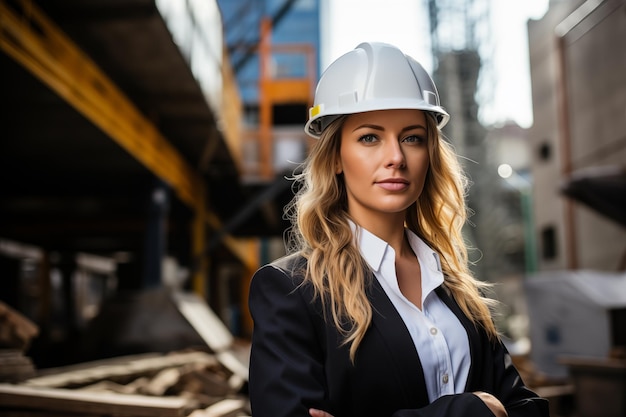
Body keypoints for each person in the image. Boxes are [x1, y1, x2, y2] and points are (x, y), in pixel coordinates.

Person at [247, 41, 549, 417]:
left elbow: (526, 408)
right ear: (336, 157)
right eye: (370, 137)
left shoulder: (455, 288)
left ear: (429, 154)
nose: (396, 158)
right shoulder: (291, 290)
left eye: (412, 138)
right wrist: (466, 412)